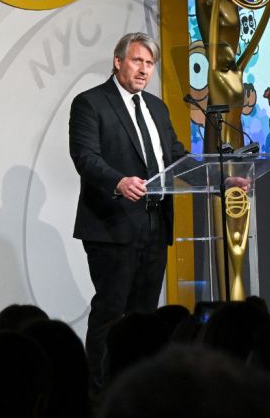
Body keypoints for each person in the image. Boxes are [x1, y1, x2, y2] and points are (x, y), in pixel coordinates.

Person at [68, 31, 188, 389]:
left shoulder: (157, 108)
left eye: (150, 64)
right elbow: (85, 157)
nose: (144, 70)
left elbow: (176, 157)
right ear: (118, 61)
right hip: (113, 224)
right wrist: (118, 181)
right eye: (137, 61)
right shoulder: (91, 103)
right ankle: (98, 392)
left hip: (155, 223)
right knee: (110, 311)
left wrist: (224, 178)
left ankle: (139, 389)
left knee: (144, 318)